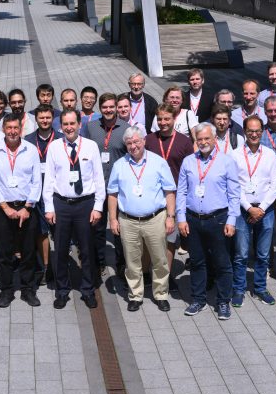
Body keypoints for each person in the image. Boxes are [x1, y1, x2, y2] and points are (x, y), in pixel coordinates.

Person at [107, 125, 177, 312]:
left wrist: (171, 217)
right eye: (129, 143)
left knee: (159, 259)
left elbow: (169, 191)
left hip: (155, 219)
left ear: (144, 141)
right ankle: (135, 295)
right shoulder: (119, 165)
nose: (133, 146)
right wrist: (112, 219)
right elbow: (112, 194)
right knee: (132, 261)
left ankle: (161, 294)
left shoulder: (158, 162)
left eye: (136, 142)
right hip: (128, 220)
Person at [176, 123, 239, 320]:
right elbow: (181, 192)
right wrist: (181, 218)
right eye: (199, 139)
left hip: (218, 219)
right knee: (197, 261)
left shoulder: (226, 162)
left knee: (222, 263)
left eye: (207, 138)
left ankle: (223, 301)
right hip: (193, 219)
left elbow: (234, 194)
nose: (203, 142)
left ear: (214, 139)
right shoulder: (188, 161)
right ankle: (198, 300)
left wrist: (231, 220)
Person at [43, 110, 105, 309]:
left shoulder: (91, 146)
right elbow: (49, 179)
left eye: (72, 123)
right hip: (61, 204)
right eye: (65, 124)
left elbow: (99, 178)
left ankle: (88, 290)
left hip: (85, 204)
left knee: (86, 250)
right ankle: (62, 291)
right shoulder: (54, 147)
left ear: (79, 124)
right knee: (61, 250)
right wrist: (49, 207)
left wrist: (98, 207)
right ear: (61, 126)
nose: (69, 127)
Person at [0, 114, 42, 308]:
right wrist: (5, 207)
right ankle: (7, 290)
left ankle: (28, 290)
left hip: (27, 207)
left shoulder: (30, 150)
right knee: (4, 252)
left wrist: (27, 207)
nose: (12, 131)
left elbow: (37, 181)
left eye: (15, 128)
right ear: (3, 129)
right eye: (8, 128)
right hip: (2, 209)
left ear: (21, 129)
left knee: (28, 251)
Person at [230, 116, 276, 307]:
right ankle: (238, 289)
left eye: (257, 131)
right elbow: (234, 185)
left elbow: (275, 184)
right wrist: (249, 208)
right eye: (250, 131)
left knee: (263, 254)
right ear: (244, 132)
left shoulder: (269, 154)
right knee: (241, 254)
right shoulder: (235, 155)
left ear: (262, 132)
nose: (254, 134)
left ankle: (260, 288)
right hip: (243, 210)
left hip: (265, 210)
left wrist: (261, 208)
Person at [83, 93, 131, 275]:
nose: (108, 110)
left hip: (118, 188)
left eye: (111, 107)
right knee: (97, 227)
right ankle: (99, 262)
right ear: (100, 108)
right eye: (105, 107)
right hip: (96, 187)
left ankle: (121, 263)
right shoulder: (91, 127)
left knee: (119, 228)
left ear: (116, 107)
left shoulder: (126, 128)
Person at [145, 103, 194, 273]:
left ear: (174, 119)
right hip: (152, 195)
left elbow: (190, 170)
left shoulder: (184, 141)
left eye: (167, 118)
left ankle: (165, 275)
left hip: (175, 195)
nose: (163, 122)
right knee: (149, 237)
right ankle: (148, 273)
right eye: (160, 119)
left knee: (169, 238)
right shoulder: (149, 140)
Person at [26, 105, 56, 286]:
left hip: (56, 193)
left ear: (53, 118)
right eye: (41, 118)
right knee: (41, 232)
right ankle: (45, 267)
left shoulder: (59, 139)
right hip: (36, 193)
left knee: (59, 232)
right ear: (36, 119)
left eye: (48, 117)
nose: (45, 121)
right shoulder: (28, 140)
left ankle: (60, 264)